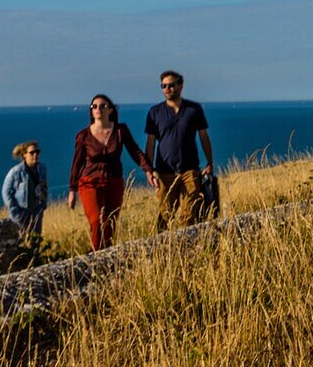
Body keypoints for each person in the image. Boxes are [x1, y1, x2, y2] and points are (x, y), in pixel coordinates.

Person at [68, 94, 155, 250]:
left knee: (110, 222)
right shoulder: (84, 136)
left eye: (102, 106)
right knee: (96, 220)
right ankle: (95, 255)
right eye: (94, 106)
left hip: (114, 182)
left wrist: (148, 170)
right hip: (90, 182)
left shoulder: (120, 131)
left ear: (110, 109)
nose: (98, 109)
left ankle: (106, 256)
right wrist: (72, 189)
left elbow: (135, 151)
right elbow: (77, 162)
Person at [145, 70, 214, 229]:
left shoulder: (194, 109)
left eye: (171, 85)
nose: (167, 89)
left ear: (180, 86)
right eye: (163, 86)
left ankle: (186, 249)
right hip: (164, 172)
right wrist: (149, 170)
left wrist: (210, 162)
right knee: (165, 215)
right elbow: (150, 142)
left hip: (190, 170)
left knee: (189, 215)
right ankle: (162, 249)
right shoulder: (155, 112)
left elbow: (204, 136)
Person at [2, 140, 49, 241]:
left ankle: (34, 256)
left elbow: (44, 187)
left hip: (36, 210)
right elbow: (6, 191)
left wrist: (43, 205)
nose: (35, 155)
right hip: (21, 211)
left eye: (37, 152)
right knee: (19, 239)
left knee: (36, 239)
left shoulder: (42, 169)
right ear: (24, 155)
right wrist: (14, 210)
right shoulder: (16, 171)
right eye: (32, 152)